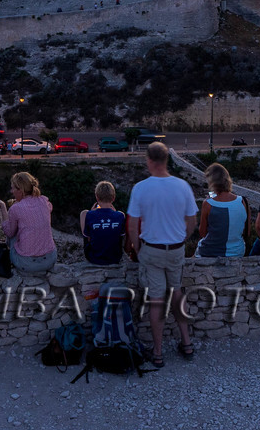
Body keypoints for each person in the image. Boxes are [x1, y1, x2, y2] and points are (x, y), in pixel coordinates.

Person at [125, 142, 198, 369]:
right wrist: (182, 240)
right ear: (168, 160)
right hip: (175, 249)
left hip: (151, 250)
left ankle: (157, 353)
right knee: (176, 293)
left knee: (156, 301)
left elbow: (132, 226)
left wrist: (138, 248)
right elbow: (192, 221)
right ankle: (186, 343)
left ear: (149, 161)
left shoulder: (140, 188)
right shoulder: (183, 186)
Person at [0, 171, 57, 275]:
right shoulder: (44, 201)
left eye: (13, 188)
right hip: (50, 259)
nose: (12, 191)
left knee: (13, 232)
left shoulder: (15, 208)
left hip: (27, 263)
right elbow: (47, 209)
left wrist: (2, 206)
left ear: (20, 190)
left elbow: (9, 232)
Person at [195, 163, 249, 258]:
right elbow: (247, 233)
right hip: (237, 252)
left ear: (211, 182)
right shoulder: (242, 201)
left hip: (211, 252)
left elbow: (202, 233)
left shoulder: (207, 203)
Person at [80, 182, 126, 266]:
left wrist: (91, 213)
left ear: (97, 197)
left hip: (94, 257)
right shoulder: (120, 215)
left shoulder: (88, 215)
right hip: (115, 258)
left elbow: (88, 237)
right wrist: (114, 214)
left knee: (84, 213)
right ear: (113, 198)